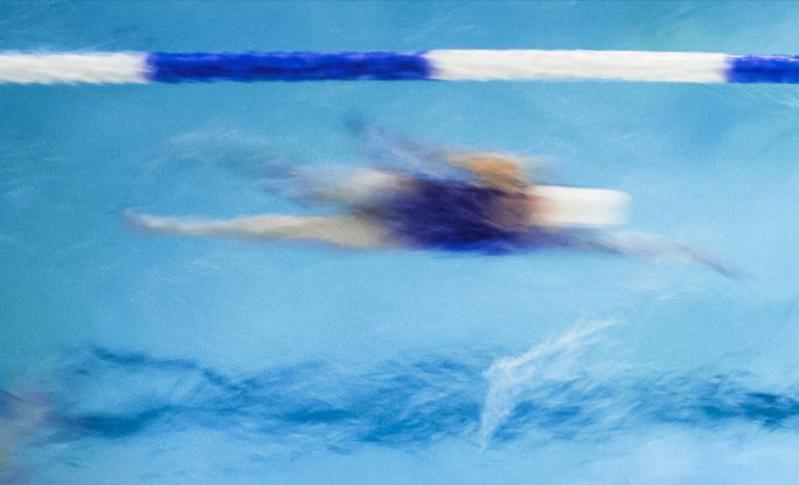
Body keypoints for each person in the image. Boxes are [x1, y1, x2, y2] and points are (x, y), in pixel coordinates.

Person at [126, 131, 726, 267]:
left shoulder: (538, 233)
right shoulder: (515, 175)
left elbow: (613, 247)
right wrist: (406, 148)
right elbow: (451, 158)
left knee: (286, 227)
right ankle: (226, 153)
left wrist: (682, 251)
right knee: (298, 181)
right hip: (398, 192)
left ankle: (174, 228)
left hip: (399, 232)